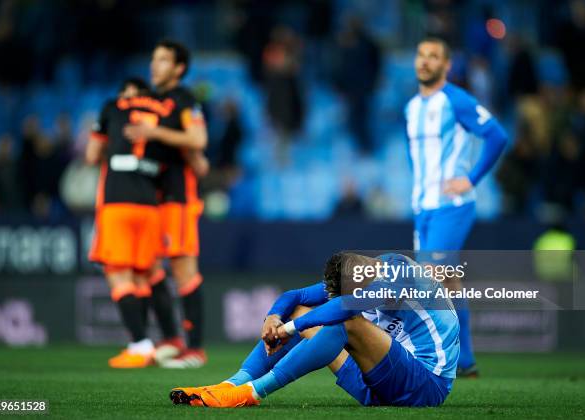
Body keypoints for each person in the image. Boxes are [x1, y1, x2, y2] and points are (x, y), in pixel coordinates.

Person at [170, 252, 459, 408]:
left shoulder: (401, 273)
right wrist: (273, 318)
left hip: (424, 386)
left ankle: (251, 393)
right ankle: (232, 384)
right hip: (376, 384)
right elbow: (294, 297)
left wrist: (289, 329)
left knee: (345, 320)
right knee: (298, 311)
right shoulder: (359, 277)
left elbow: (346, 309)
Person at [404, 37, 508, 377]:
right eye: (421, 55)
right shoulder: (412, 107)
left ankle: (429, 359)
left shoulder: (456, 100)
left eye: (433, 57)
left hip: (452, 205)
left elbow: (497, 136)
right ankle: (466, 362)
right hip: (423, 208)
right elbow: (417, 159)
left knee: (426, 279)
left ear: (446, 66)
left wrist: (472, 178)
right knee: (447, 283)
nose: (425, 61)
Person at [122, 40, 209, 368]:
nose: (154, 65)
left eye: (162, 60)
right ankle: (172, 338)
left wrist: (155, 132)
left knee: (184, 271)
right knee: (151, 268)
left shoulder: (184, 101)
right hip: (150, 199)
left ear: (179, 68)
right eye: (153, 59)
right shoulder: (152, 102)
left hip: (178, 198)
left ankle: (195, 350)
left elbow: (198, 140)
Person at [86, 78, 164, 368]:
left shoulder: (112, 107)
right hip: (150, 205)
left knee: (118, 276)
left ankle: (140, 344)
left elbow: (92, 154)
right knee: (142, 278)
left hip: (117, 203)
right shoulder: (162, 114)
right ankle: (144, 344)